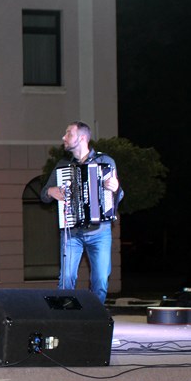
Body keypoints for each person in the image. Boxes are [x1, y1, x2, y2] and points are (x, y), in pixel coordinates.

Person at [40, 121, 123, 304]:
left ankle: (94, 320)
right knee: (66, 279)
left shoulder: (105, 162)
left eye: (68, 133)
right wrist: (50, 191)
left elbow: (119, 194)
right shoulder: (63, 166)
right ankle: (65, 318)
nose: (64, 137)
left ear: (82, 138)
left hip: (100, 232)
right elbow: (44, 194)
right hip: (72, 233)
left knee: (100, 280)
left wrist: (115, 188)